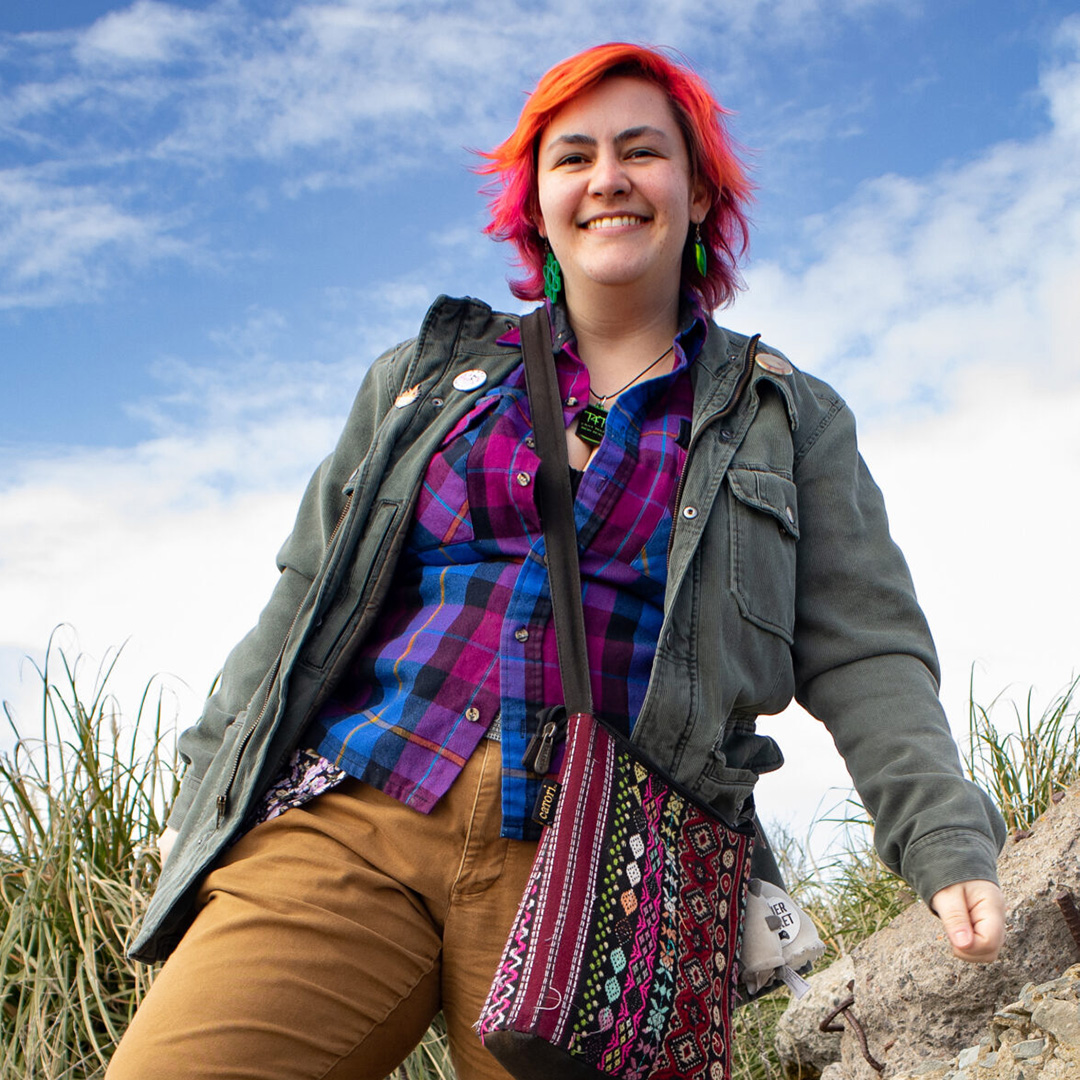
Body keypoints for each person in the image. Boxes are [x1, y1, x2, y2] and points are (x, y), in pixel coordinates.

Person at [108, 42, 1007, 1080]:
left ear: (699, 188)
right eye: (572, 157)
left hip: (610, 879)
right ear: (535, 203)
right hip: (359, 810)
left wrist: (944, 839)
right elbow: (300, 608)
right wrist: (197, 818)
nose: (608, 179)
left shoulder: (785, 418)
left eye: (642, 152)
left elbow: (869, 652)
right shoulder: (426, 378)